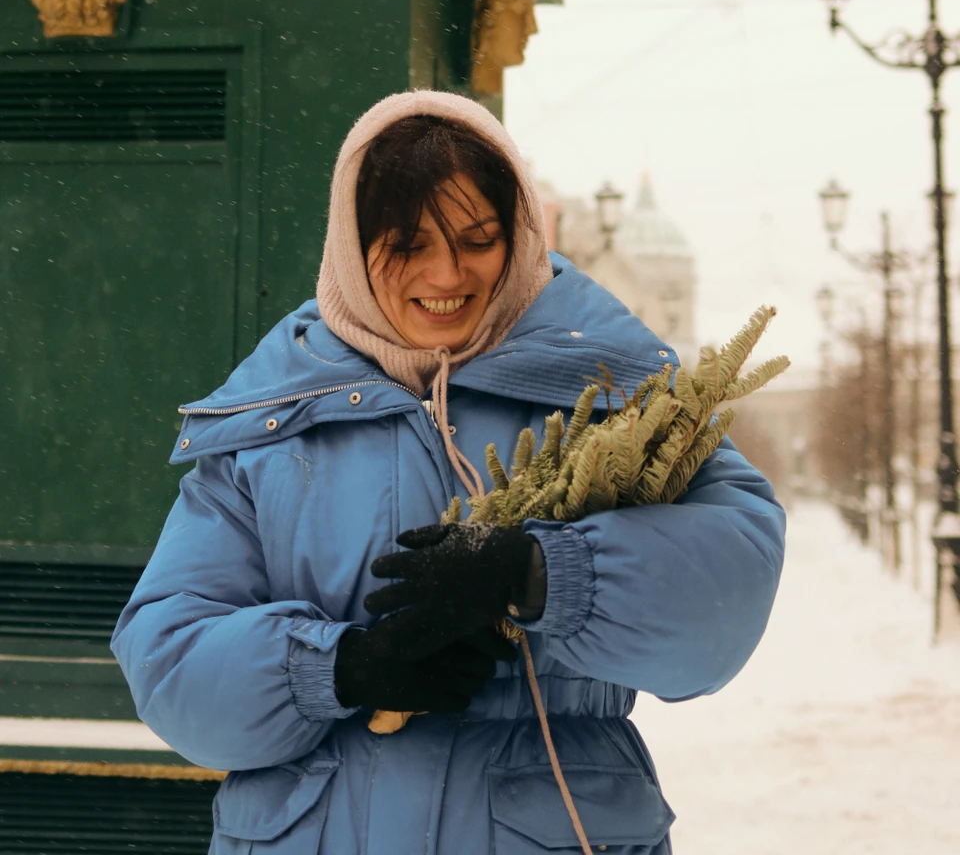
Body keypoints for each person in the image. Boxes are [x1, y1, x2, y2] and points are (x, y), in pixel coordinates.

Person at [112, 90, 785, 855]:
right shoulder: (270, 419)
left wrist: (539, 574)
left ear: (519, 234)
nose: (447, 273)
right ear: (350, 242)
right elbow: (168, 660)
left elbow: (727, 597)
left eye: (477, 237)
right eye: (405, 243)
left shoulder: (621, 392)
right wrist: (339, 669)